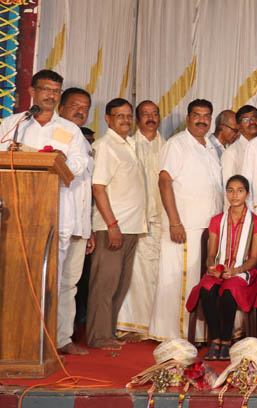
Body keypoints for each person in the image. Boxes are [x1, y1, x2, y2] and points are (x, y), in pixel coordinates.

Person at [0, 70, 90, 354]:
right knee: (14, 277)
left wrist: (58, 161)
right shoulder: (13, 124)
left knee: (53, 280)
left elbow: (79, 164)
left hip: (55, 214)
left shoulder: (69, 130)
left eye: (55, 91)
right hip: (17, 213)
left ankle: (52, 340)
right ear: (32, 91)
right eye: (46, 89)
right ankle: (15, 338)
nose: (51, 95)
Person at [150, 99, 222, 342]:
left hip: (207, 227)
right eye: (197, 115)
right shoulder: (177, 144)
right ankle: (173, 336)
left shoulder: (210, 147)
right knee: (179, 281)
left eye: (206, 116)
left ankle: (196, 335)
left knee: (199, 282)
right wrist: (174, 222)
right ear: (188, 118)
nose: (202, 120)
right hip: (184, 226)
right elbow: (164, 182)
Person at [87, 98, 147, 350]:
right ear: (107, 119)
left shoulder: (128, 144)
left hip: (131, 226)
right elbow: (98, 187)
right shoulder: (105, 146)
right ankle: (98, 337)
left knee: (119, 285)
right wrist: (112, 225)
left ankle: (108, 332)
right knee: (105, 284)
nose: (125, 120)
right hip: (112, 227)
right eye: (119, 115)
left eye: (128, 115)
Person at [185, 175, 257, 360]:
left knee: (230, 290)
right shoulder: (217, 220)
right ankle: (215, 340)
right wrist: (211, 267)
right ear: (226, 193)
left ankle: (226, 342)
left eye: (240, 191)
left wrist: (235, 271)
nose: (235, 195)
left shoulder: (256, 222)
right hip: (219, 269)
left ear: (247, 194)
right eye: (231, 190)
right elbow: (211, 254)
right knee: (207, 289)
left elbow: (253, 259)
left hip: (243, 271)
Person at [117, 100, 163, 341]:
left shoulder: (168, 146)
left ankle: (156, 324)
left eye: (154, 113)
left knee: (158, 273)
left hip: (163, 219)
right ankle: (134, 324)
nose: (150, 117)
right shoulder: (129, 146)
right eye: (145, 114)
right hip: (136, 220)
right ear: (137, 120)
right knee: (136, 274)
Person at [56, 87, 94, 355]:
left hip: (79, 224)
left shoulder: (85, 142)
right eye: (75, 106)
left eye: (85, 108)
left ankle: (63, 338)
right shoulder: (57, 135)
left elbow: (86, 190)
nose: (80, 111)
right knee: (51, 283)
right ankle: (42, 338)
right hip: (57, 221)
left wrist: (88, 229)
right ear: (61, 108)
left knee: (69, 284)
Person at [220, 104, 257, 185]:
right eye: (246, 119)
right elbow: (228, 186)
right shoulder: (231, 153)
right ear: (239, 126)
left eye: (254, 117)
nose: (252, 122)